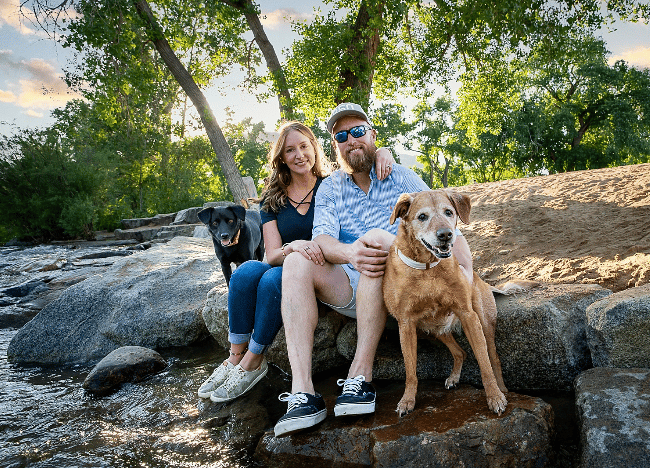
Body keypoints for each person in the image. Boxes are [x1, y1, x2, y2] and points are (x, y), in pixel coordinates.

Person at [273, 103, 474, 437]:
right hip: (351, 283)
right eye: (341, 136)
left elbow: (446, 221)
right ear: (335, 145)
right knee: (296, 260)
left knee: (379, 239)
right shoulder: (331, 187)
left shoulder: (402, 178)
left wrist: (465, 274)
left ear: (373, 135)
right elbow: (322, 237)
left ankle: (359, 378)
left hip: (402, 283)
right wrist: (350, 252)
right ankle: (303, 393)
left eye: (358, 131)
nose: (351, 140)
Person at [197, 120, 396, 403]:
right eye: (290, 150)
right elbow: (273, 254)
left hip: (323, 269)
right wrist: (296, 245)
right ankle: (233, 358)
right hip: (288, 260)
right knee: (244, 273)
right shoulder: (273, 198)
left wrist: (383, 151)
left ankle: (253, 361)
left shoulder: (333, 185)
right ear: (282, 158)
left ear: (315, 149)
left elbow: (361, 162)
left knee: (270, 279)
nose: (299, 154)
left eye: (304, 146)